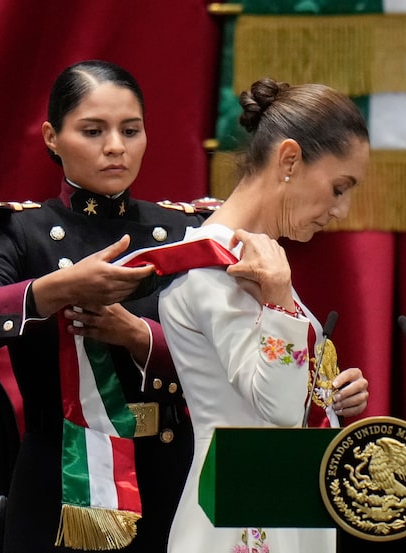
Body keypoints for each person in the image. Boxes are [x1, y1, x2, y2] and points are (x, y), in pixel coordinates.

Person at [0, 60, 209, 552]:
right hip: (60, 480)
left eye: (131, 130)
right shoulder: (25, 232)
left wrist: (137, 335)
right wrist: (60, 287)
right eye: (93, 130)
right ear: (51, 137)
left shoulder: (183, 232)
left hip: (173, 471)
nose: (116, 146)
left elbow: (226, 350)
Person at [158, 77, 371, 552]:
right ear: (290, 160)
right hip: (236, 515)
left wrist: (330, 398)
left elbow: (287, 401)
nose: (342, 209)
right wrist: (278, 299)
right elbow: (274, 409)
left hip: (283, 503)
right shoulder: (208, 267)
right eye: (339, 188)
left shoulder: (256, 259)